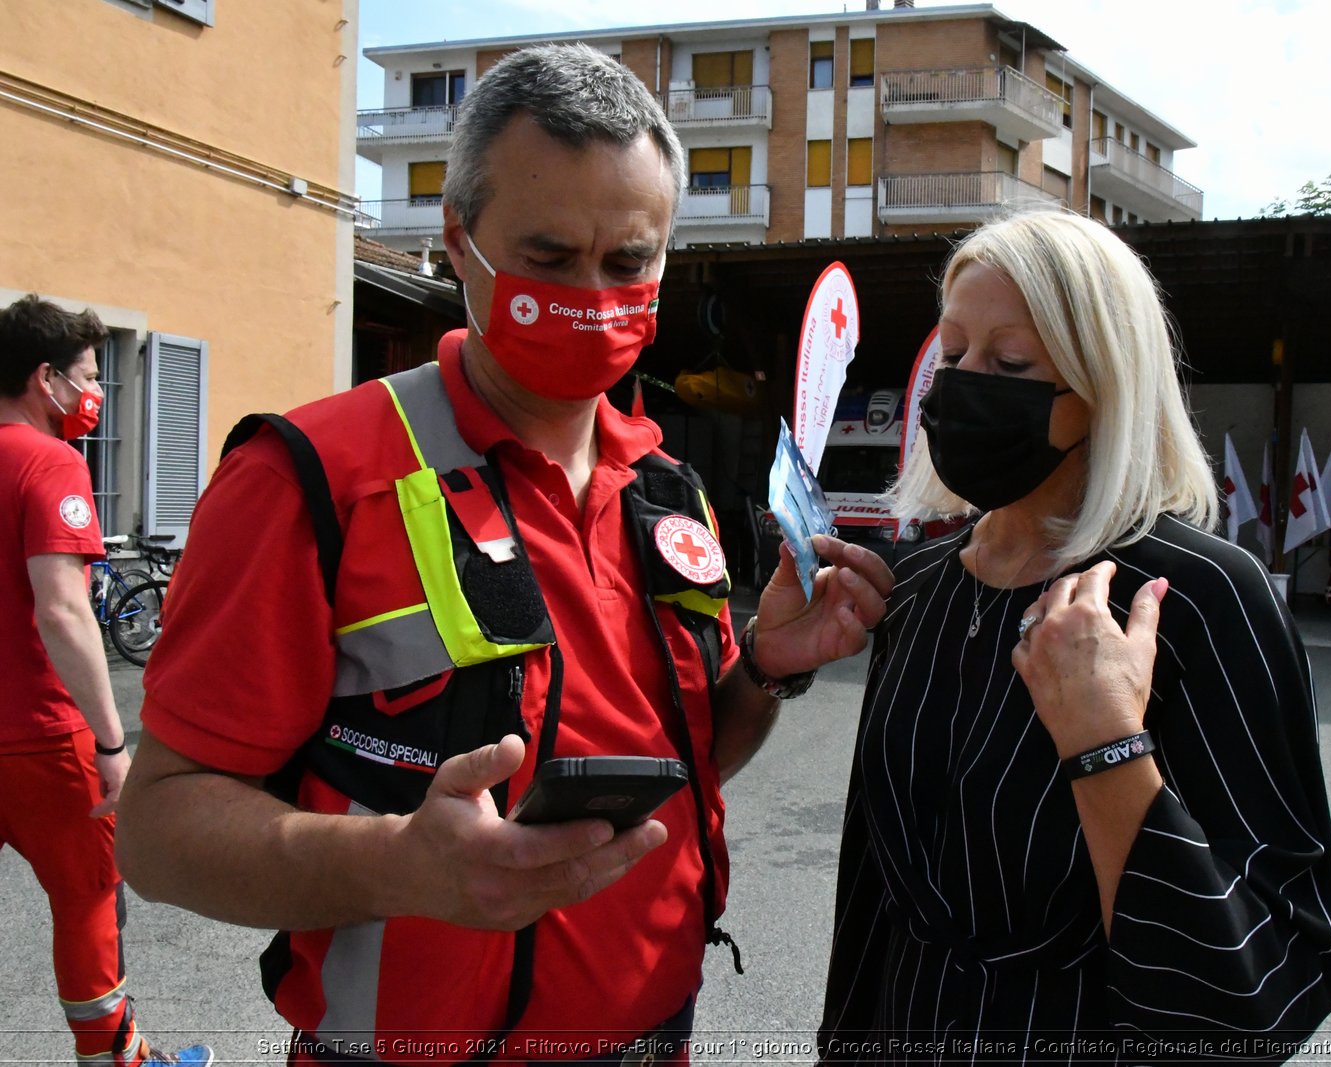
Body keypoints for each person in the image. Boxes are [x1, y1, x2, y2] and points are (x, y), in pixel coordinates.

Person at [115, 45, 892, 1065]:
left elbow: (678, 766)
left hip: (663, 1035)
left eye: (627, 264)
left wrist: (767, 668)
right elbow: (160, 829)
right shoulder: (310, 479)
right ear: (457, 241)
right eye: (550, 257)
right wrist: (396, 864)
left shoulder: (668, 487)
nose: (593, 296)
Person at [817, 210, 1331, 1063]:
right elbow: (873, 888)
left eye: (1011, 361)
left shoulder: (1200, 599)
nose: (961, 382)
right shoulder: (917, 588)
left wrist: (1106, 746)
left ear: (1105, 384)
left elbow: (1272, 976)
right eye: (952, 353)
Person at [0, 295, 214, 1067]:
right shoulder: (49, 461)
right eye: (89, 375)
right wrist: (112, 741)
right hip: (42, 735)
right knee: (88, 895)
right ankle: (118, 1060)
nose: (95, 393)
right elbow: (62, 611)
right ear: (44, 378)